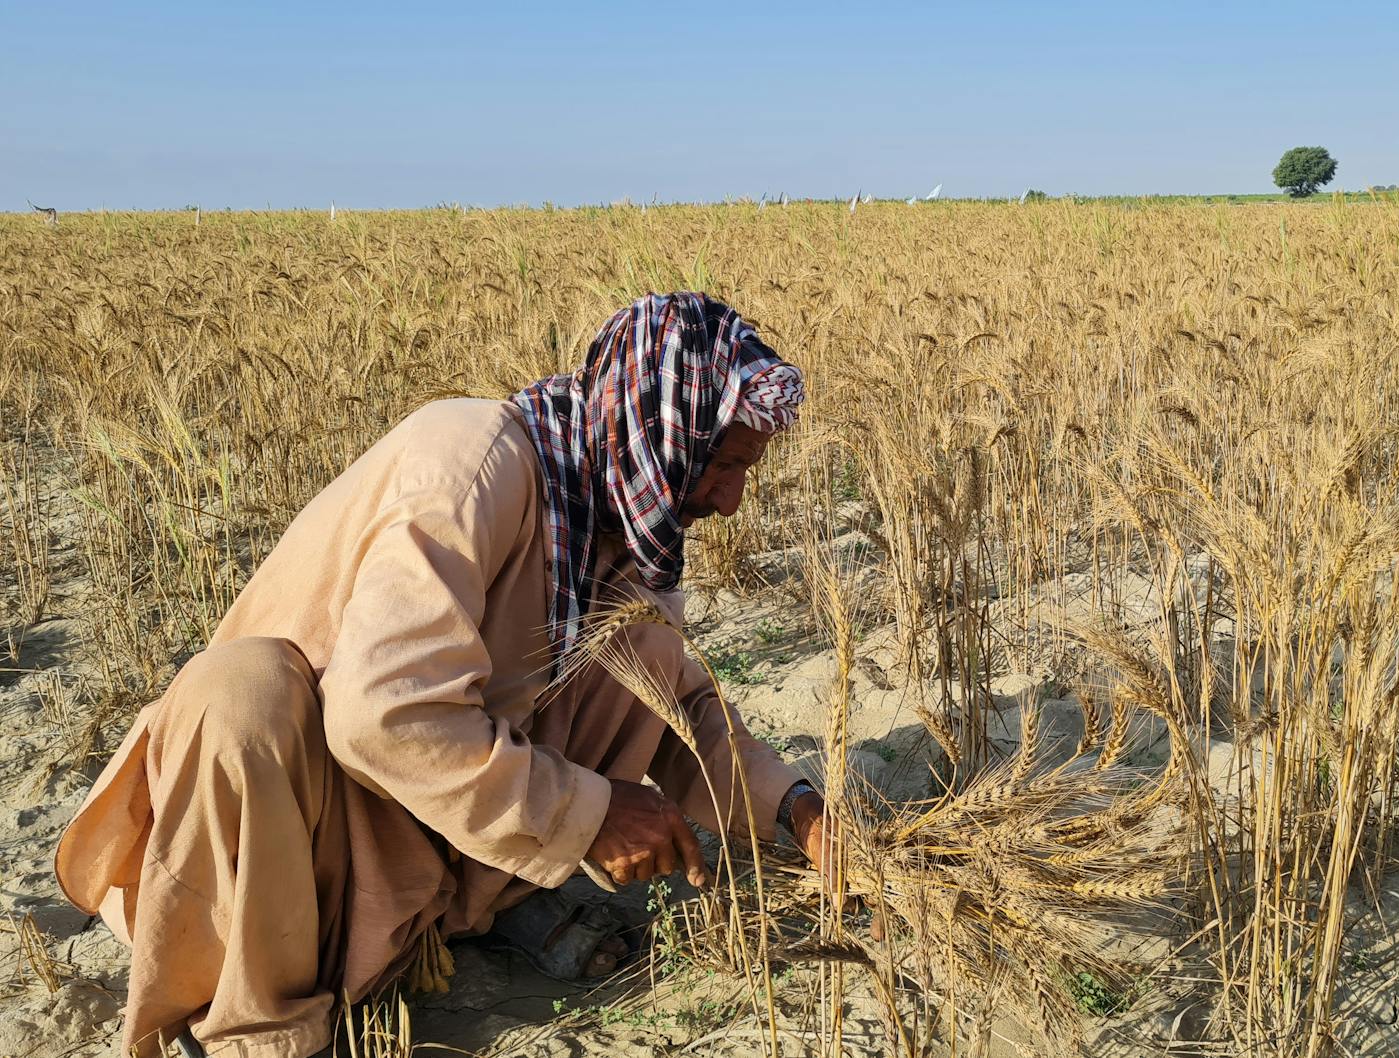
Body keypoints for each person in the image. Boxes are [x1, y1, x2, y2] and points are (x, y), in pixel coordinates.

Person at [54, 293, 831, 1058]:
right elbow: (375, 715)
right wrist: (589, 814)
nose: (730, 501)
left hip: (414, 874)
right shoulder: (471, 463)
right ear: (661, 431)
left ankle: (445, 924)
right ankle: (251, 1031)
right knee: (240, 695)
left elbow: (684, 715)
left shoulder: (627, 539)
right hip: (287, 856)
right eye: (723, 463)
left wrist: (801, 812)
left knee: (648, 658)